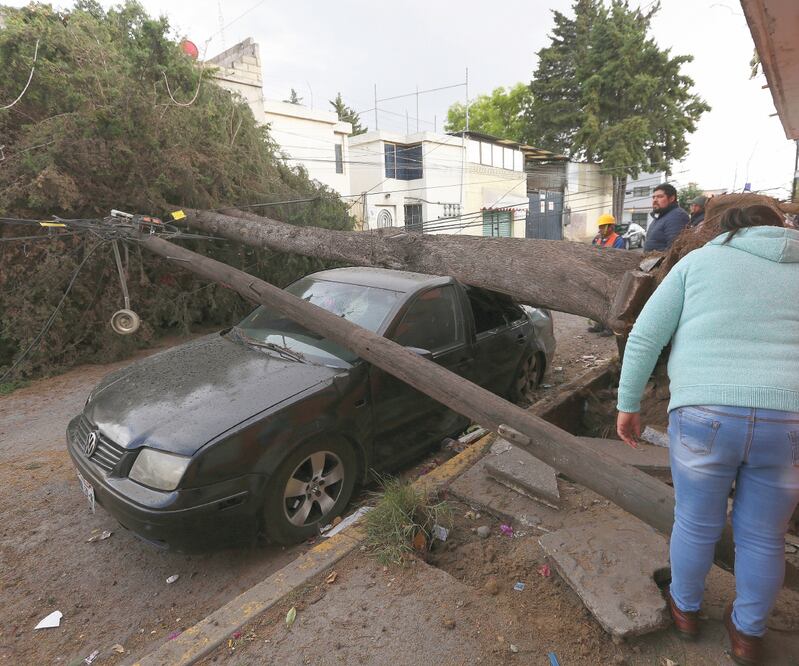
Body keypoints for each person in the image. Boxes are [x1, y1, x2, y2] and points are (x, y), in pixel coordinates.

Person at [615, 204, 799, 665]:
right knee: (764, 536)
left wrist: (629, 404)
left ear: (722, 228)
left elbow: (644, 337)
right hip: (790, 423)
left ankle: (686, 610)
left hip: (705, 413)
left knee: (696, 522)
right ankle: (748, 633)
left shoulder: (698, 262)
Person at [644, 183, 690, 251]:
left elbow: (674, 251)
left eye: (660, 196)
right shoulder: (661, 216)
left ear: (671, 198)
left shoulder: (677, 216)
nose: (655, 200)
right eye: (654, 197)